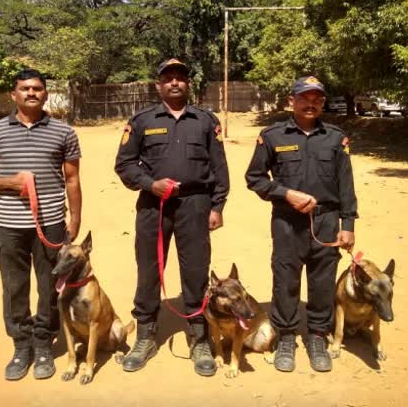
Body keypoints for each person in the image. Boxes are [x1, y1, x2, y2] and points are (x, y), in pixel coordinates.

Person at [114, 58, 230, 376]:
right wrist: (151, 184)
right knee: (149, 271)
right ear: (159, 85)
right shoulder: (141, 120)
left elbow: (219, 167)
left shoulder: (205, 121)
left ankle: (199, 338)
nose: (174, 82)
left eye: (180, 77)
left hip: (196, 204)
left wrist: (217, 206)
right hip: (154, 206)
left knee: (195, 271)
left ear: (188, 83)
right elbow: (124, 164)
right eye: (168, 78)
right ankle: (146, 336)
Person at [0, 68, 82, 381]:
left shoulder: (63, 132)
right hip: (9, 225)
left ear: (45, 94)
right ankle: (21, 345)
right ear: (13, 94)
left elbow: (72, 178)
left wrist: (74, 218)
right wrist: (10, 182)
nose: (31, 93)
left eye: (37, 88)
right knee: (15, 287)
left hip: (51, 225)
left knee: (50, 287)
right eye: (24, 88)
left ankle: (44, 343)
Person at [244, 75, 357, 373]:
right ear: (291, 101)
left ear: (322, 103)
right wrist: (285, 193)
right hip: (286, 222)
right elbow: (254, 179)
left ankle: (317, 336)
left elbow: (346, 185)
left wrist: (348, 224)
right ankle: (286, 337)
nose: (311, 103)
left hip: (327, 222)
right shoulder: (272, 137)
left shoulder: (335, 138)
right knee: (286, 281)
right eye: (304, 98)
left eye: (317, 99)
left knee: (321, 282)